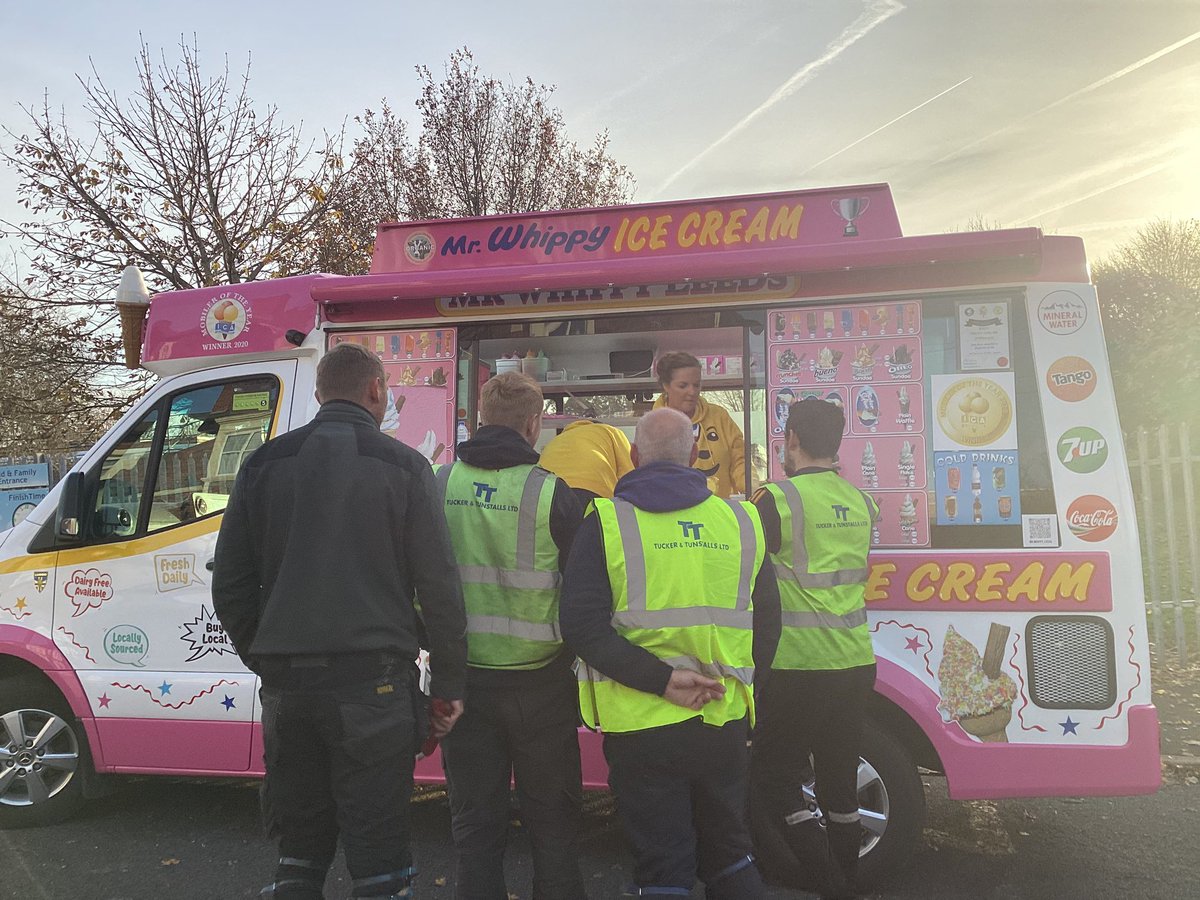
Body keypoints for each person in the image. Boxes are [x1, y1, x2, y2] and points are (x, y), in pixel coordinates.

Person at [212, 342, 468, 900]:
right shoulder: (404, 466)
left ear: (321, 392)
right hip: (373, 690)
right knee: (378, 853)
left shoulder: (263, 464)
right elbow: (440, 587)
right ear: (376, 390)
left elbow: (230, 585)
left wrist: (267, 655)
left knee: (299, 849)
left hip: (289, 691)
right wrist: (447, 686)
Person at [560, 407, 781, 898]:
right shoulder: (741, 520)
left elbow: (580, 624)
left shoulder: (607, 522)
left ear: (634, 457)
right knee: (729, 853)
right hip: (720, 718)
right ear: (693, 457)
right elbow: (768, 624)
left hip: (641, 726)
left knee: (663, 864)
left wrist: (661, 681)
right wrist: (745, 687)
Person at [433, 371, 586, 900]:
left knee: (476, 827)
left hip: (463, 682)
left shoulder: (440, 484)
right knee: (554, 823)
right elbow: (583, 594)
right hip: (542, 685)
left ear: (479, 420)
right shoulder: (554, 495)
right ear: (533, 424)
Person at [749, 397, 879, 900]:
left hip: (797, 665)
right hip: (854, 662)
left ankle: (834, 888)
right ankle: (846, 882)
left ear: (794, 440)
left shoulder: (775, 500)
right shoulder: (862, 502)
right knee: (839, 786)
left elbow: (743, 570)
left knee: (773, 778)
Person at [652, 350, 746, 498]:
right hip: (674, 513)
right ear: (666, 386)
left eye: (696, 385)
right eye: (683, 386)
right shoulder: (652, 425)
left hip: (720, 512)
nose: (692, 392)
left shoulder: (719, 416)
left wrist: (753, 489)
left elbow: (741, 460)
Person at [538, 417, 634, 505]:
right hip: (590, 493)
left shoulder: (555, 440)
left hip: (546, 497)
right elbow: (630, 476)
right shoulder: (611, 432)